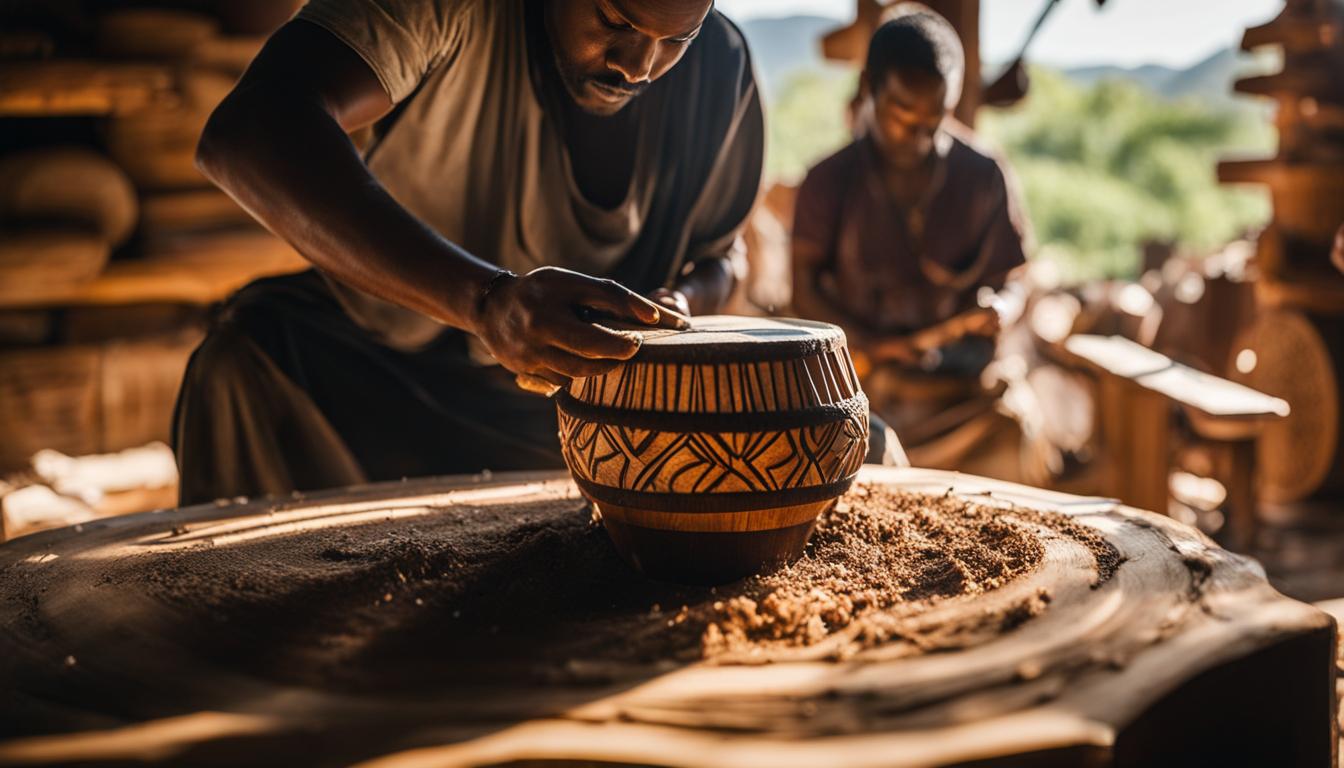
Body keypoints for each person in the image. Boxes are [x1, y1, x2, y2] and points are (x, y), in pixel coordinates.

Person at [173, 0, 765, 504]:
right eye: (614, 20)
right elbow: (249, 130)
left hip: (574, 407)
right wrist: (483, 302)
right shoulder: (458, 9)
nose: (637, 66)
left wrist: (677, 304)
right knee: (241, 360)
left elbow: (722, 256)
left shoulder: (721, 64)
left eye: (677, 40)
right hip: (380, 367)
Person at [791, 4, 1029, 473]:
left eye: (936, 117)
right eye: (903, 114)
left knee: (1014, 428)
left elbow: (1015, 279)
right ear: (870, 88)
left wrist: (1003, 306)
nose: (920, 134)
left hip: (963, 396)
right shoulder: (828, 180)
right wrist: (871, 345)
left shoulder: (984, 175)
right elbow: (802, 290)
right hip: (863, 392)